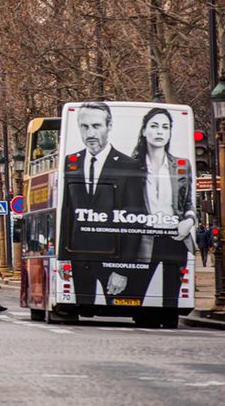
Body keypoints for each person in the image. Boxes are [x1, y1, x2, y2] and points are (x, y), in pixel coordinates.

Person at [59, 102, 147, 305]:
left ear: (109, 126)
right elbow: (66, 214)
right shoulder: (69, 162)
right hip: (79, 258)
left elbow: (134, 219)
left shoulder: (129, 166)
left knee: (117, 307)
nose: (90, 133)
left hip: (113, 258)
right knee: (81, 308)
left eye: (96, 126)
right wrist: (63, 260)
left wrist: (123, 269)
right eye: (84, 126)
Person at [131, 107, 196, 306]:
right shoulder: (132, 166)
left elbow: (188, 202)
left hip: (175, 239)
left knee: (171, 300)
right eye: (154, 126)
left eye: (165, 127)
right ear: (144, 131)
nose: (160, 132)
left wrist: (190, 219)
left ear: (169, 133)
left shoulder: (181, 166)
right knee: (136, 295)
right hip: (144, 240)